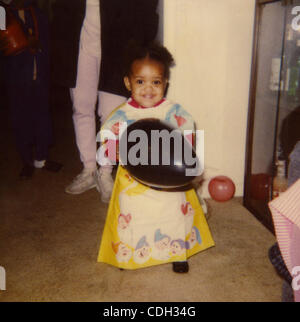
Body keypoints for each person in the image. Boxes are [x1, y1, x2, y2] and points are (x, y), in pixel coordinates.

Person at [97, 42, 215, 273]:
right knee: (134, 215)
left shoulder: (175, 112)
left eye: (156, 82)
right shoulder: (121, 115)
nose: (148, 88)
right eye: (140, 81)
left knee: (173, 214)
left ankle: (177, 252)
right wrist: (115, 152)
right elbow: (107, 139)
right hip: (134, 182)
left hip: (169, 184)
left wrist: (188, 164)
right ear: (128, 82)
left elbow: (187, 140)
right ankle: (130, 252)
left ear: (165, 83)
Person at [50, 0, 159, 202]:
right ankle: (89, 168)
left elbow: (148, 9)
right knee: (81, 107)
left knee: (111, 114)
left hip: (118, 47)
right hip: (80, 46)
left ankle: (105, 172)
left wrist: (140, 42)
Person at [0, 0, 62, 178]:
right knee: (21, 117)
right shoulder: (3, 12)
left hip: (39, 74)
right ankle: (26, 160)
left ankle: (42, 158)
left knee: (42, 115)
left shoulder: (36, 12)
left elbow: (48, 41)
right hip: (16, 78)